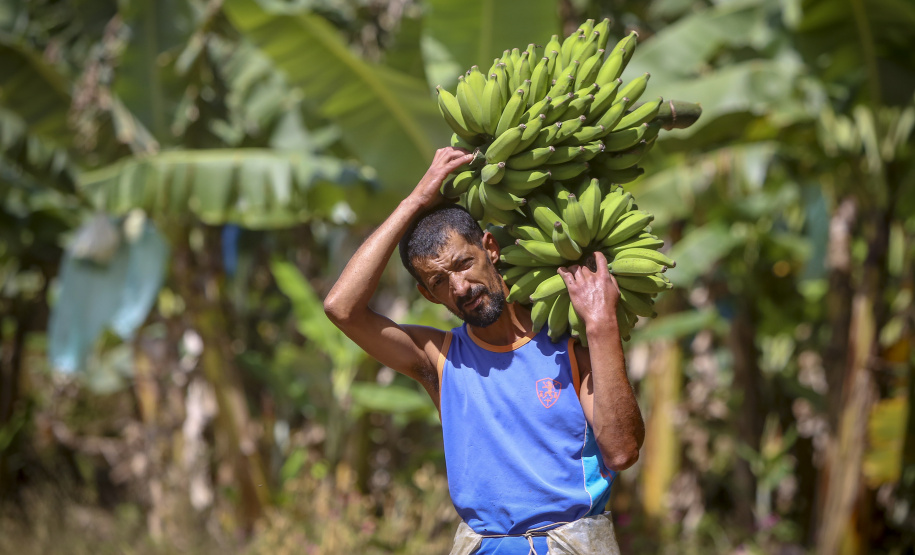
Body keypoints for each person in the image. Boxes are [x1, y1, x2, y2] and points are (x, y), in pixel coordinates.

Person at [323, 147, 645, 554]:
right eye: (439, 281)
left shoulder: (569, 341)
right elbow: (341, 308)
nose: (459, 287)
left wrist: (602, 326)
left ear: (490, 248)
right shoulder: (439, 359)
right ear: (427, 293)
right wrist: (416, 199)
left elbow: (620, 451)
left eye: (462, 264)